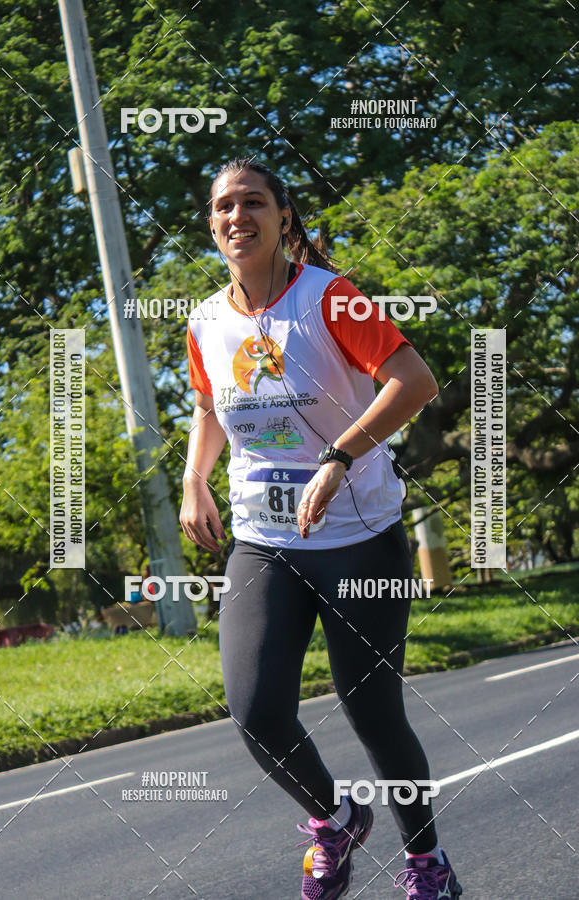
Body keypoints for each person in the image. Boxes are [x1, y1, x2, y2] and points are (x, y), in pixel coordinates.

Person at [180, 158, 463, 900]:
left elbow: (415, 380)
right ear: (211, 224)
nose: (236, 216)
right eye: (223, 207)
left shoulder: (332, 298)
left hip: (357, 535)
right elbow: (209, 408)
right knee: (254, 708)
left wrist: (339, 457)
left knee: (372, 710)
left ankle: (427, 863)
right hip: (263, 538)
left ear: (282, 216)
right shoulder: (205, 320)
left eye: (252, 203)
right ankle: (336, 819)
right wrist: (192, 478)